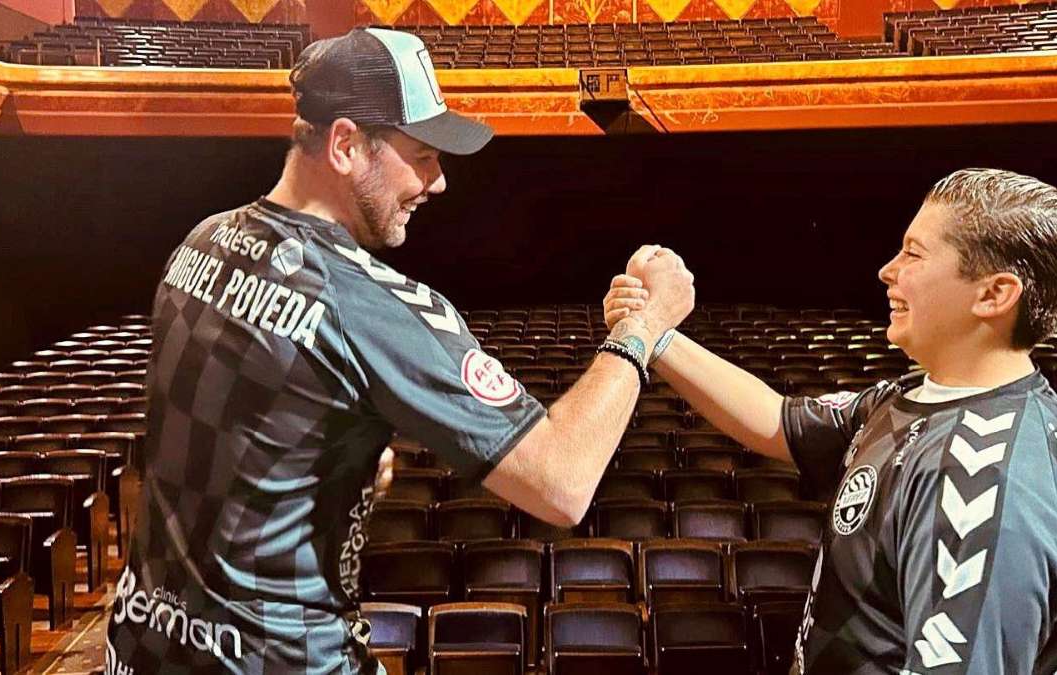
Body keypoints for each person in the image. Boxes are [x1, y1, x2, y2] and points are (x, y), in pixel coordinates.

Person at [105, 27, 694, 674]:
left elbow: (217, 421)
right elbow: (562, 482)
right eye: (422, 156)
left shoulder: (202, 243)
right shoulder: (371, 303)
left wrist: (338, 446)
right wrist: (644, 327)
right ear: (346, 144)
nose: (437, 184)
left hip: (141, 645)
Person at [606, 168, 1057, 674]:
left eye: (913, 254)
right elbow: (779, 421)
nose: (888, 271)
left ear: (993, 295)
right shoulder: (921, 392)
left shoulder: (986, 487)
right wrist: (651, 333)